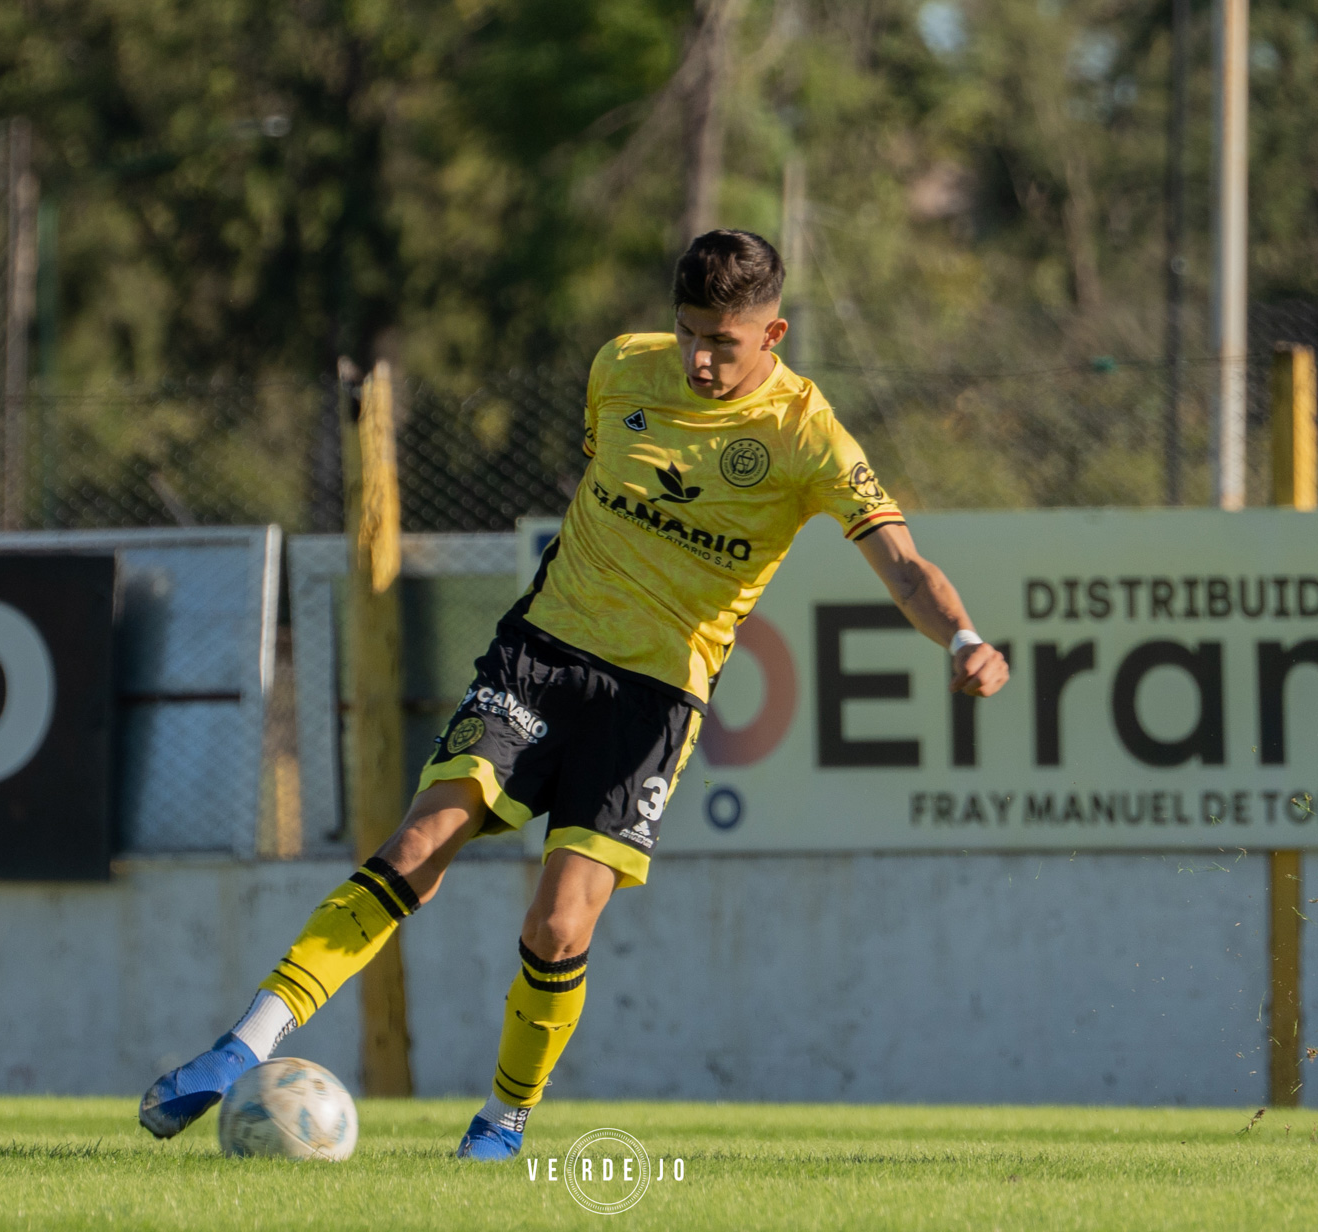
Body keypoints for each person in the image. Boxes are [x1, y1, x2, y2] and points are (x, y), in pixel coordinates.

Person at [139, 229, 1010, 1158]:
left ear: (774, 334)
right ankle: (241, 1047)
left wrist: (961, 637)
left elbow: (903, 566)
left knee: (559, 927)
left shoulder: (809, 437)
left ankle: (504, 1118)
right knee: (417, 844)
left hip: (654, 700)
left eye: (722, 342)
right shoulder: (622, 367)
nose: (699, 359)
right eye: (687, 333)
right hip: (543, 651)